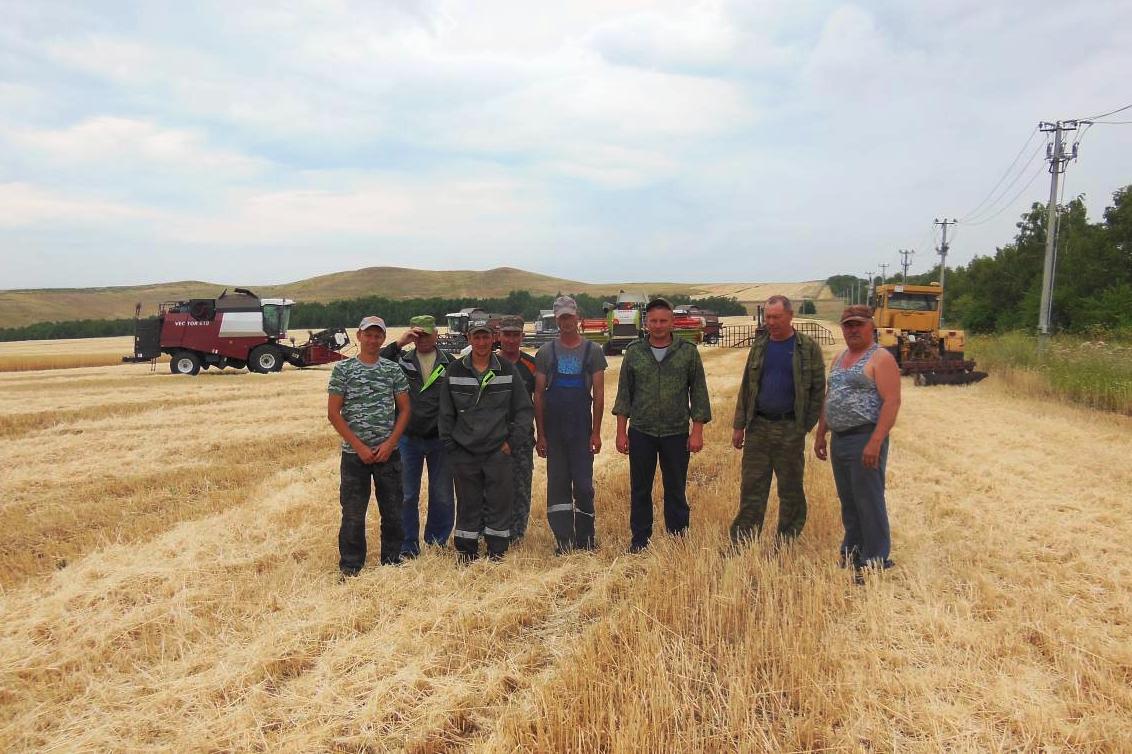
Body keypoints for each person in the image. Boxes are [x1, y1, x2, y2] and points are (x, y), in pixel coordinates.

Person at [613, 298, 711, 552]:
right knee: (640, 489)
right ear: (646, 323)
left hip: (676, 432)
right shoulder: (635, 352)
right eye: (654, 321)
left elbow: (699, 393)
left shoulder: (688, 352)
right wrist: (621, 433)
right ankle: (640, 541)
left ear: (672, 322)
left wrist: (697, 431)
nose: (658, 326)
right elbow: (624, 394)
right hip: (641, 431)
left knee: (676, 488)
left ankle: (678, 539)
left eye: (663, 321)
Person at [730, 295, 827, 544]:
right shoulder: (760, 346)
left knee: (791, 489)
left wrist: (804, 425)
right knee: (752, 488)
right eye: (768, 317)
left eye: (776, 317)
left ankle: (786, 540)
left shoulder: (807, 349)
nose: (771, 322)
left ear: (790, 316)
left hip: (790, 428)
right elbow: (746, 387)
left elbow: (818, 390)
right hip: (758, 428)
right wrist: (739, 425)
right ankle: (743, 540)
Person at [814, 305, 902, 574]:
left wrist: (875, 441)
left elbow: (891, 402)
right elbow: (830, 397)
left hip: (865, 437)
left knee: (869, 500)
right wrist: (821, 433)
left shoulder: (881, 358)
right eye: (847, 325)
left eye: (858, 324)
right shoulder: (839, 358)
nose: (852, 329)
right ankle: (852, 552)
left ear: (870, 327)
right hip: (840, 439)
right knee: (849, 501)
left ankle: (875, 560)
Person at [439, 321, 534, 561]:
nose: (481, 343)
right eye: (476, 338)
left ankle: (496, 552)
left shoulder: (507, 370)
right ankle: (466, 554)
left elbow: (524, 410)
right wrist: (453, 448)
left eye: (485, 338)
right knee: (468, 505)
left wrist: (510, 444)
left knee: (499, 505)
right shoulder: (455, 370)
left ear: (494, 339)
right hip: (465, 453)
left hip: (498, 452)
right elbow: (445, 414)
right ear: (469, 339)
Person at [327, 315, 411, 576]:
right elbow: (334, 413)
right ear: (359, 336)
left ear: (383, 339)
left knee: (394, 512)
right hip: (354, 457)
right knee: (352, 515)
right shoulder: (343, 370)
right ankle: (351, 567)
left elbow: (405, 410)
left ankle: (392, 562)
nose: (373, 339)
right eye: (368, 334)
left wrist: (390, 444)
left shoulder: (392, 370)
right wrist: (359, 447)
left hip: (389, 455)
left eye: (378, 335)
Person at [534, 296, 607, 553]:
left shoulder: (593, 352)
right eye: (561, 317)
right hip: (554, 431)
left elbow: (598, 395)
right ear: (556, 320)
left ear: (578, 318)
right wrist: (541, 435)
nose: (566, 322)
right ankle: (563, 541)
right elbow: (539, 396)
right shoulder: (545, 353)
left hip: (581, 429)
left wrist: (596, 433)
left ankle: (586, 539)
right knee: (558, 485)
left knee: (584, 487)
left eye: (570, 316)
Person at [380, 314, 454, 559]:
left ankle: (437, 543)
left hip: (440, 439)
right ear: (412, 335)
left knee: (441, 493)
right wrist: (399, 344)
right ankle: (407, 546)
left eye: (427, 334)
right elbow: (372, 361)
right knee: (406, 494)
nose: (422, 339)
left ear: (436, 335)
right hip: (408, 438)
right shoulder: (400, 361)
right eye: (417, 334)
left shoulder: (450, 362)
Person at [497, 315, 538, 542]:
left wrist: (542, 435)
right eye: (507, 334)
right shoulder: (488, 363)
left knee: (521, 489)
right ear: (499, 336)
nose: (511, 340)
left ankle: (517, 535)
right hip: (492, 439)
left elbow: (539, 401)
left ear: (522, 336)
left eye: (516, 335)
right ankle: (493, 532)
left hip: (522, 438)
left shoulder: (532, 365)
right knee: (492, 488)